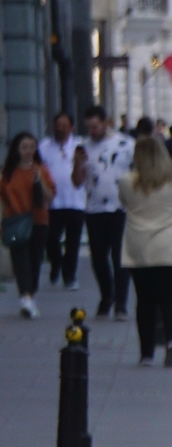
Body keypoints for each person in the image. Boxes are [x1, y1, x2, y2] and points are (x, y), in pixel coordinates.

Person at [119, 133, 172, 366]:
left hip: (139, 248)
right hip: (168, 247)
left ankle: (146, 353)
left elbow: (123, 202)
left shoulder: (127, 181)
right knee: (170, 300)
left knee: (144, 302)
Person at [78, 106, 134, 320]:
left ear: (105, 123)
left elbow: (136, 172)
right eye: (89, 127)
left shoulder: (125, 145)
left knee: (120, 257)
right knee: (98, 257)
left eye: (95, 126)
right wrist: (77, 164)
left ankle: (121, 303)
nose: (92, 131)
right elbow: (77, 181)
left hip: (120, 208)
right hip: (94, 209)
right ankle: (106, 294)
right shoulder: (83, 147)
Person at [3, 131, 53, 319]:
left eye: (32, 147)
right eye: (24, 147)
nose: (28, 151)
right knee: (20, 260)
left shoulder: (41, 170)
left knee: (34, 261)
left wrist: (39, 181)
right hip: (15, 221)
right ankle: (26, 297)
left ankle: (29, 295)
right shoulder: (8, 173)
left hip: (38, 221)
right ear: (16, 149)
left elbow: (50, 196)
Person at [37, 111, 83, 290]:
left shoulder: (79, 146)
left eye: (64, 126)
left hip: (75, 201)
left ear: (71, 127)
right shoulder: (44, 147)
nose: (60, 129)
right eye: (58, 125)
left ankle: (69, 275)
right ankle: (56, 264)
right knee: (51, 239)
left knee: (73, 242)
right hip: (52, 203)